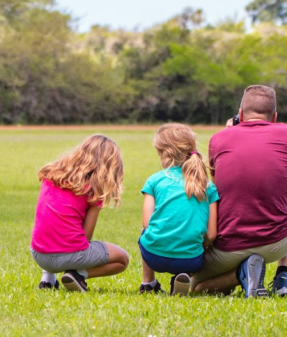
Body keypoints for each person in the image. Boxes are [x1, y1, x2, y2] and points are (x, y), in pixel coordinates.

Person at [192, 85, 287, 297]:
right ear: (275, 117)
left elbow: (217, 190)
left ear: (240, 114)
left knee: (195, 289)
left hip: (228, 248)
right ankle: (283, 275)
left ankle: (239, 274)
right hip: (278, 243)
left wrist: (229, 132)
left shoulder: (219, 139)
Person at [30, 134, 129, 292]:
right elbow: (85, 237)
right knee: (122, 259)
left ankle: (47, 279)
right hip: (71, 255)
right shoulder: (94, 192)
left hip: (39, 254)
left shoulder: (51, 176)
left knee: (53, 232)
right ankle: (78, 275)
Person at [138, 124, 218, 296]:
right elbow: (211, 234)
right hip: (191, 260)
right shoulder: (208, 186)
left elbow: (147, 223)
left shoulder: (155, 180)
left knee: (144, 231)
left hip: (154, 257)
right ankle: (182, 276)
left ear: (163, 153)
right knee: (191, 237)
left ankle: (148, 282)